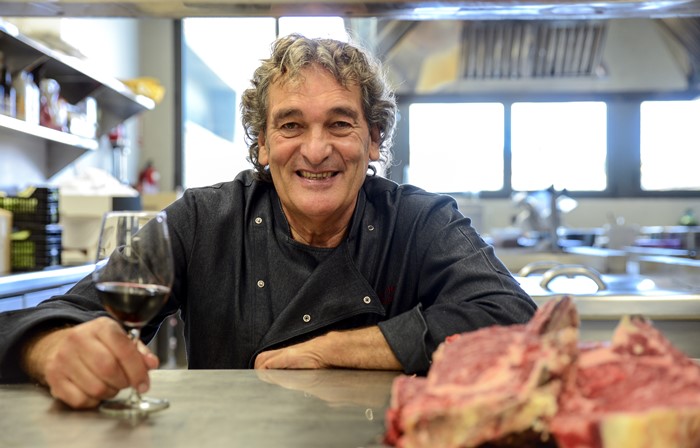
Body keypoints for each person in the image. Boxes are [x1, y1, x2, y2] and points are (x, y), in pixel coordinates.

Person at [0, 34, 537, 409]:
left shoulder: (420, 220)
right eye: (291, 125)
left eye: (340, 124)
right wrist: (51, 350)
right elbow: (63, 313)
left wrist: (332, 350)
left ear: (374, 140)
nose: (316, 149)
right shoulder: (204, 220)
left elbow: (513, 318)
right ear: (261, 144)